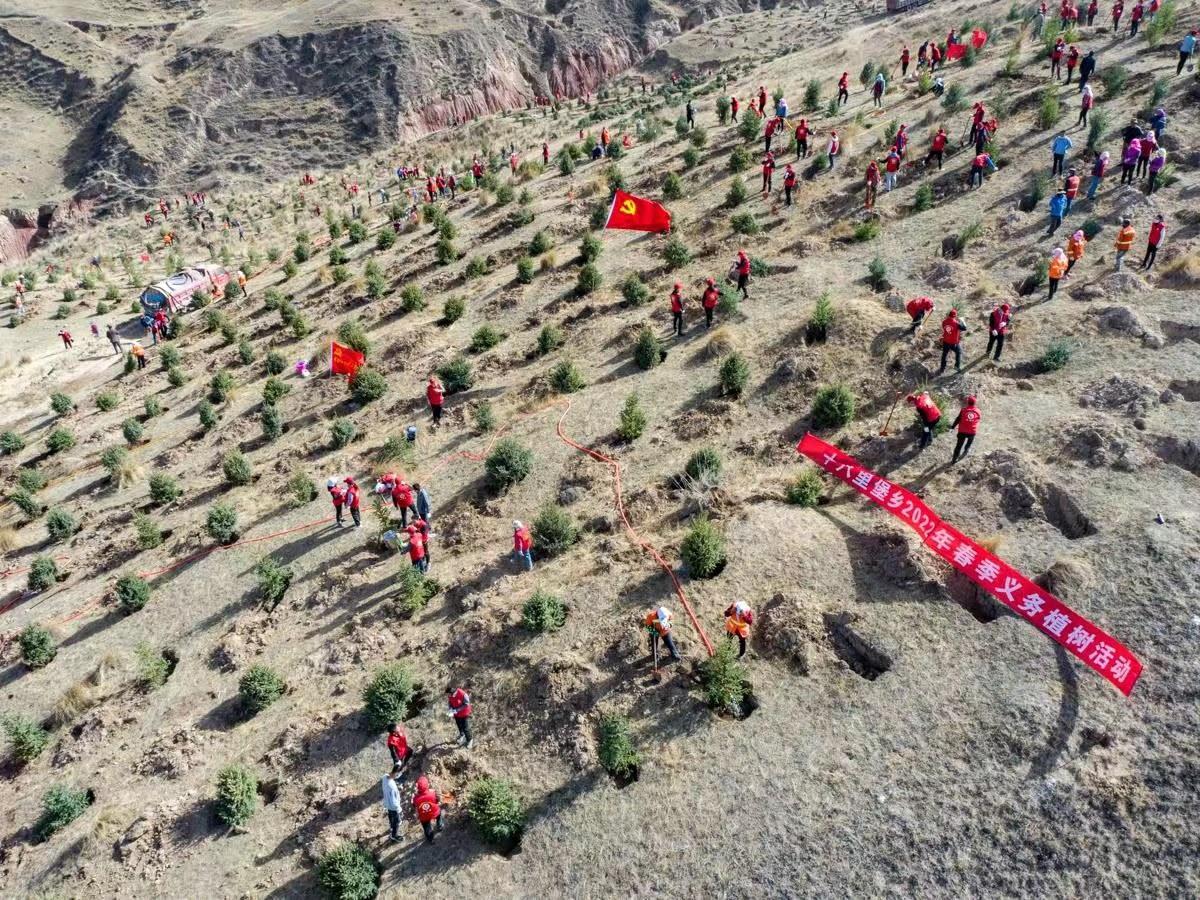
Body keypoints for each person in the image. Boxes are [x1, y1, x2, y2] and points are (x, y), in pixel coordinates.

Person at [412, 776, 445, 843]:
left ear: (418, 788)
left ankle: (430, 839)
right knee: (439, 814)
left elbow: (415, 806)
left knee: (427, 827)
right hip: (434, 812)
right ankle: (440, 825)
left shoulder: (416, 798)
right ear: (427, 785)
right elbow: (437, 801)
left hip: (424, 816)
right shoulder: (432, 793)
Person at [950, 396, 981, 463]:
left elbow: (958, 419)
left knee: (958, 446)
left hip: (962, 432)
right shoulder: (978, 411)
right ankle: (966, 449)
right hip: (972, 431)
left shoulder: (963, 410)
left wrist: (952, 427)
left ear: (967, 402)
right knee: (970, 441)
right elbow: (978, 419)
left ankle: (954, 460)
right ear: (975, 403)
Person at [936, 309, 967, 374]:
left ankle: (942, 369)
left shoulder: (944, 322)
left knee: (944, 355)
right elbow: (964, 328)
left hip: (946, 341)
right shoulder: (956, 323)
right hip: (954, 343)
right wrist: (962, 321)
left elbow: (946, 329)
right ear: (955, 316)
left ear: (949, 315)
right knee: (958, 352)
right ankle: (957, 366)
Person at [381, 768, 403, 842]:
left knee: (390, 814)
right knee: (396, 821)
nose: (398, 776)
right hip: (393, 806)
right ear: (394, 774)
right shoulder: (392, 788)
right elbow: (394, 803)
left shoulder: (385, 777)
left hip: (387, 803)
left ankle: (391, 825)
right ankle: (394, 835)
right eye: (397, 774)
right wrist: (399, 809)